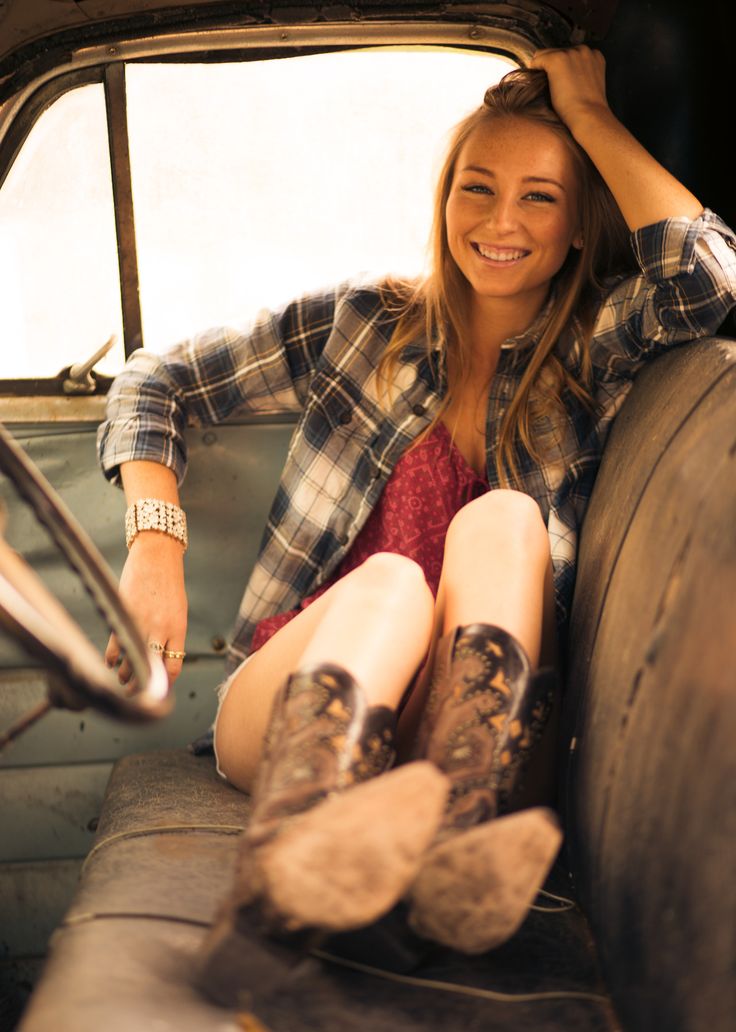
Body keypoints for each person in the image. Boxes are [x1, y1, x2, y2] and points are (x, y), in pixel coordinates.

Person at [98, 45, 736, 986]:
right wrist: (156, 541)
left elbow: (709, 281)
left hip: (479, 737)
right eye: (476, 188)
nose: (501, 222)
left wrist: (591, 116)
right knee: (393, 578)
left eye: (540, 198)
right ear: (444, 202)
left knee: (507, 519)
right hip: (292, 708)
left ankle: (451, 833)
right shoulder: (359, 322)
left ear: (576, 225)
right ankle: (295, 865)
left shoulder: (599, 347)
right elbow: (155, 379)